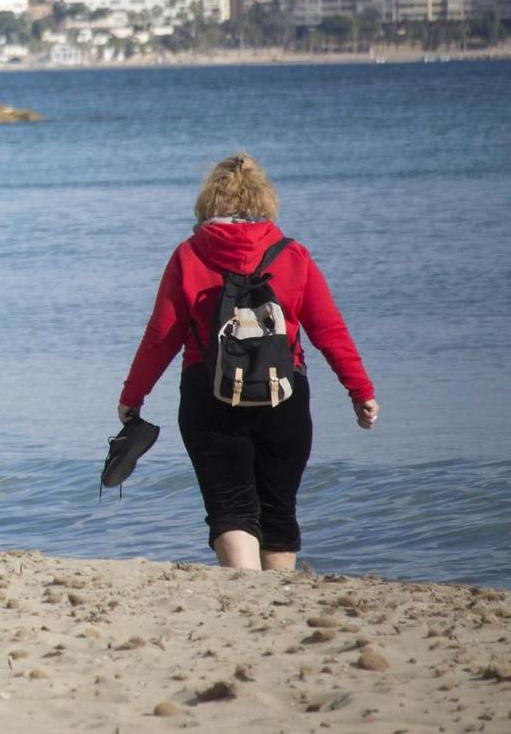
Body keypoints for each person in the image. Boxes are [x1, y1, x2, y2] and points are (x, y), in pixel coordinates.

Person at [118, 153, 377, 571]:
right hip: (284, 394)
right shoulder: (293, 255)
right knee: (278, 511)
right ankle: (278, 608)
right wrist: (360, 391)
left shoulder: (189, 255)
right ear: (265, 201)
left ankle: (247, 603)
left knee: (231, 509)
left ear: (208, 203)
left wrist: (133, 397)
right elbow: (329, 331)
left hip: (209, 393)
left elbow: (160, 337)